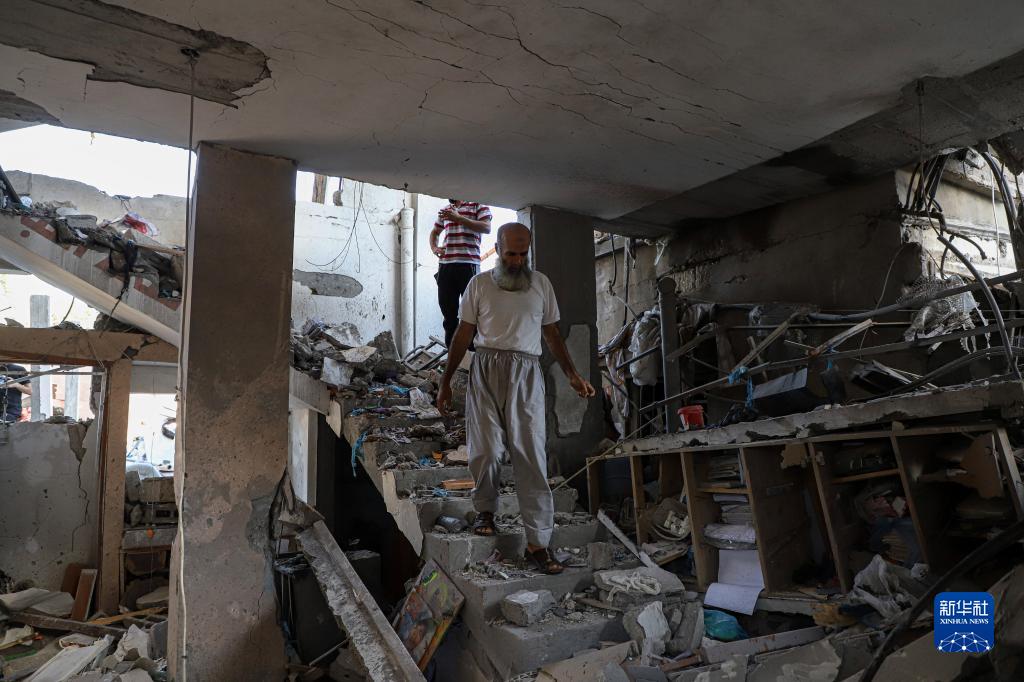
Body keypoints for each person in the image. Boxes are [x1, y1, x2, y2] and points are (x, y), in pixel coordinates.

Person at [436, 223, 596, 574]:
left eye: (523, 254)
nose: (517, 260)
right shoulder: (479, 285)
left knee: (531, 456)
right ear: (497, 249)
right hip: (486, 368)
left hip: (526, 372)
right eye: (511, 253)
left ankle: (538, 543)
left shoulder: (541, 285)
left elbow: (551, 334)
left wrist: (572, 374)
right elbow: (463, 334)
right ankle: (485, 509)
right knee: (486, 449)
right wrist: (445, 382)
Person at [431, 199, 492, 347]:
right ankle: (452, 354)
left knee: (472, 314)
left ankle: (471, 355)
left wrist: (459, 218)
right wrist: (434, 248)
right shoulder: (446, 210)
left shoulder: (478, 204)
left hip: (468, 265)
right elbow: (435, 232)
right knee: (448, 315)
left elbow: (486, 227)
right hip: (446, 266)